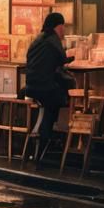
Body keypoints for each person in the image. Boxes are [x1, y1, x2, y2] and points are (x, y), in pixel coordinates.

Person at [24, 12, 75, 162]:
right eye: (62, 27)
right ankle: (47, 141)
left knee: (51, 103)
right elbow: (62, 60)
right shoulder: (53, 39)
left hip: (31, 87)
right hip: (45, 87)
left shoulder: (38, 39)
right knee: (60, 101)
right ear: (56, 27)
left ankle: (42, 140)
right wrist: (74, 56)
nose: (63, 30)